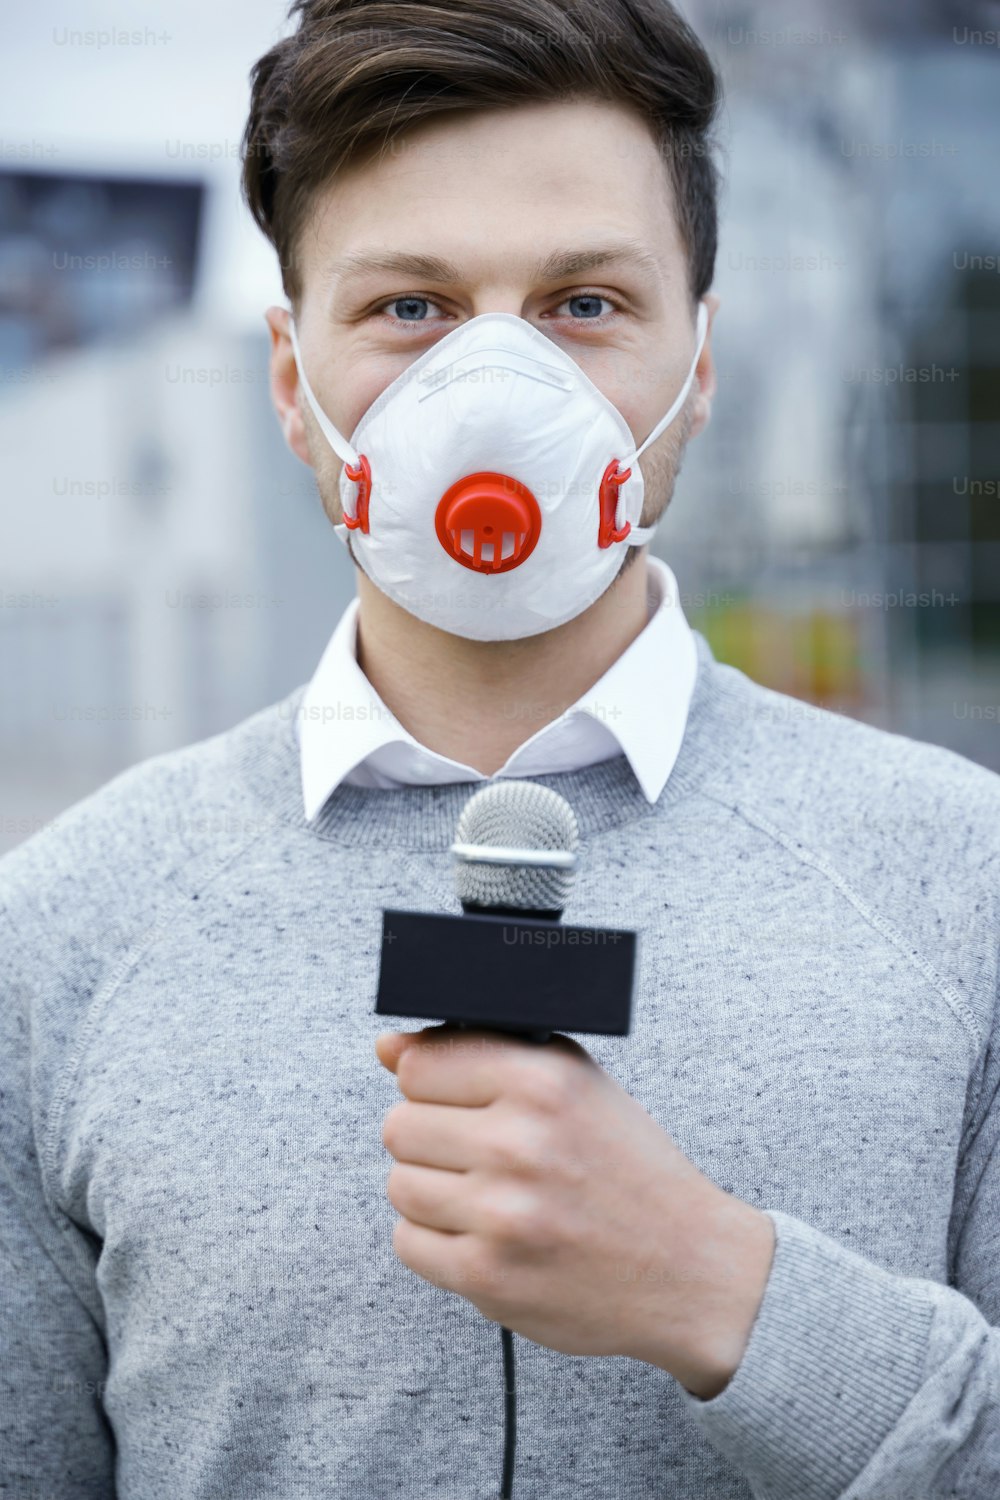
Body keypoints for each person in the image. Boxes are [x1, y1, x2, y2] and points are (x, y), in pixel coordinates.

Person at [2, 1, 998, 1496]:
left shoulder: (966, 882)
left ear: (700, 368)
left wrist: (728, 1296)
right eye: (410, 307)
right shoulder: (59, 934)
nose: (493, 396)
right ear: (292, 385)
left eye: (584, 303)